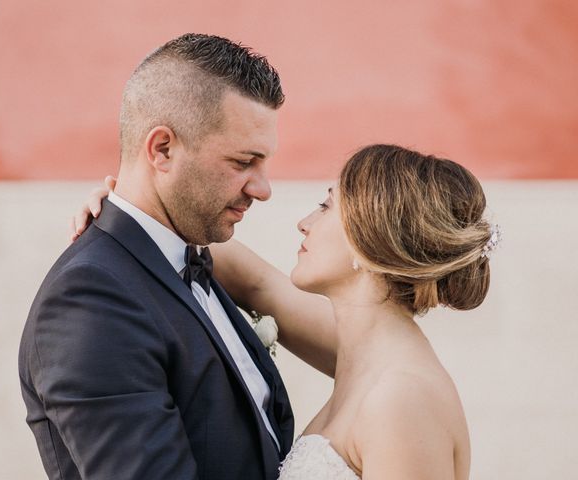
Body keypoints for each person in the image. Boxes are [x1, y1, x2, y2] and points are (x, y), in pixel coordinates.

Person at [78, 143, 498, 479]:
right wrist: (134, 212)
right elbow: (256, 282)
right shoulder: (365, 354)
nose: (305, 222)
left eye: (327, 205)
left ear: (371, 241)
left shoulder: (401, 399)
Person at [18, 33, 294, 480]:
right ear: (162, 149)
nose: (263, 189)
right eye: (244, 162)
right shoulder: (90, 301)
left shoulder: (188, 256)